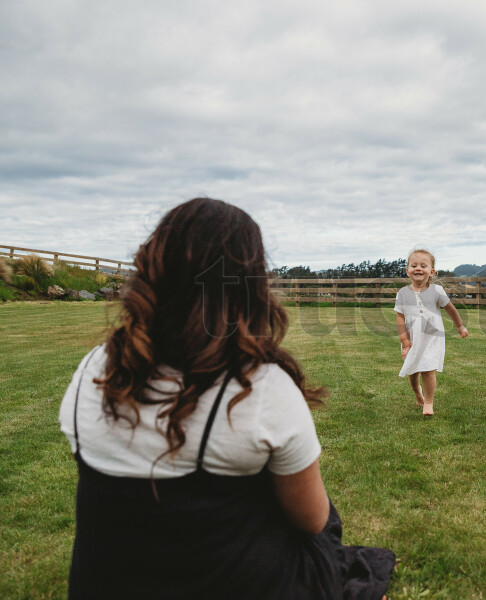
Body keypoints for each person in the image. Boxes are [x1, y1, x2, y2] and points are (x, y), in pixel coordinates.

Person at [60, 198, 394, 600]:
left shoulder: (93, 368)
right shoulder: (262, 387)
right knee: (324, 520)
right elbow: (311, 520)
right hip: (226, 583)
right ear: (249, 283)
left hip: (106, 583)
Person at [394, 249, 468, 415]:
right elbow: (400, 318)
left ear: (431, 271)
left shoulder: (437, 291)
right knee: (412, 372)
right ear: (407, 271)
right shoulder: (402, 294)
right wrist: (404, 340)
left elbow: (451, 309)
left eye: (423, 265)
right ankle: (416, 392)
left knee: (428, 369)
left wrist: (460, 326)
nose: (418, 268)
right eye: (414, 265)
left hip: (432, 338)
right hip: (412, 339)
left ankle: (429, 402)